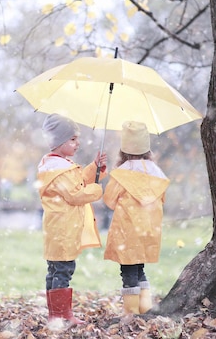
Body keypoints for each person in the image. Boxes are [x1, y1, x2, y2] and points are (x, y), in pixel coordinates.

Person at [37, 113, 107, 325]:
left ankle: (56, 314)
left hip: (59, 230)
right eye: (73, 139)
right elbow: (76, 194)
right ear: (58, 142)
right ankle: (61, 316)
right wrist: (96, 190)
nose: (78, 143)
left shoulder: (59, 166)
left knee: (56, 270)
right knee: (63, 271)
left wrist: (95, 167)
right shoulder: (58, 170)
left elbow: (78, 183)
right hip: (63, 231)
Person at [103, 121, 170, 315]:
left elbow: (109, 199)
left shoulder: (122, 173)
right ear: (147, 149)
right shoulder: (157, 173)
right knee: (140, 269)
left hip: (127, 232)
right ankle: (145, 309)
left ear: (123, 150)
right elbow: (162, 198)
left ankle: (131, 314)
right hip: (148, 230)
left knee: (128, 271)